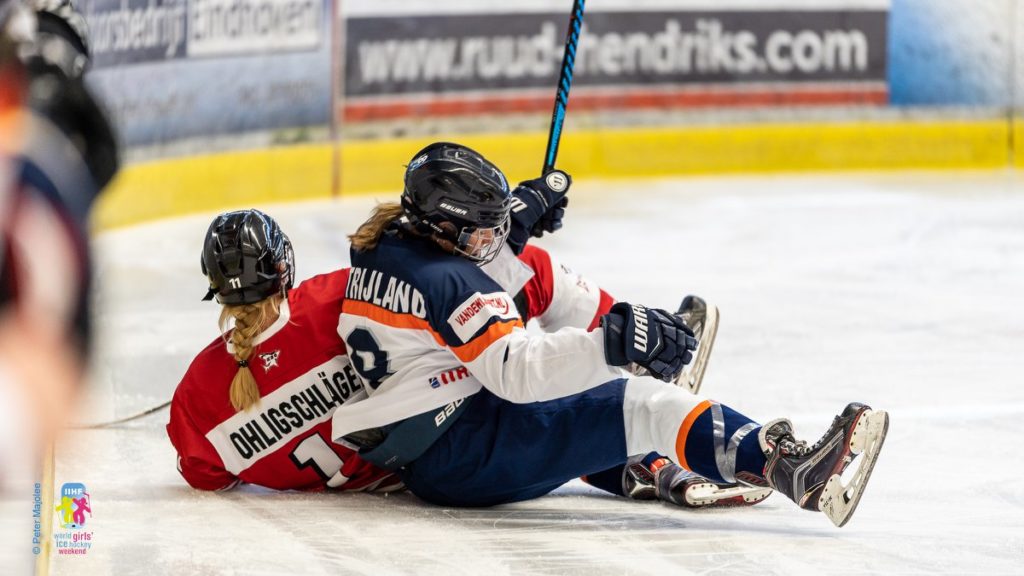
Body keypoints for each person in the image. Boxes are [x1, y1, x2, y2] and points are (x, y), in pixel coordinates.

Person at [332, 141, 889, 527]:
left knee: (549, 302)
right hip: (467, 452)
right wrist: (612, 344)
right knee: (642, 404)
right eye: (482, 232)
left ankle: (649, 467)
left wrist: (513, 220)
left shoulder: (384, 246)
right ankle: (794, 471)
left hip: (437, 438)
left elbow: (463, 279)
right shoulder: (448, 279)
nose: (493, 241)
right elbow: (518, 372)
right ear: (444, 228)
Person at [167, 207, 769, 509]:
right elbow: (444, 281)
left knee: (519, 406)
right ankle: (645, 346)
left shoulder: (197, 398)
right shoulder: (327, 301)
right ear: (283, 266)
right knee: (511, 324)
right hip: (444, 433)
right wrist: (506, 229)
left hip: (405, 467)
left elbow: (205, 473)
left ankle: (642, 461)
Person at [166, 210, 401, 493]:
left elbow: (204, 475)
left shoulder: (196, 392)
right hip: (413, 472)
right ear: (281, 267)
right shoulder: (334, 298)